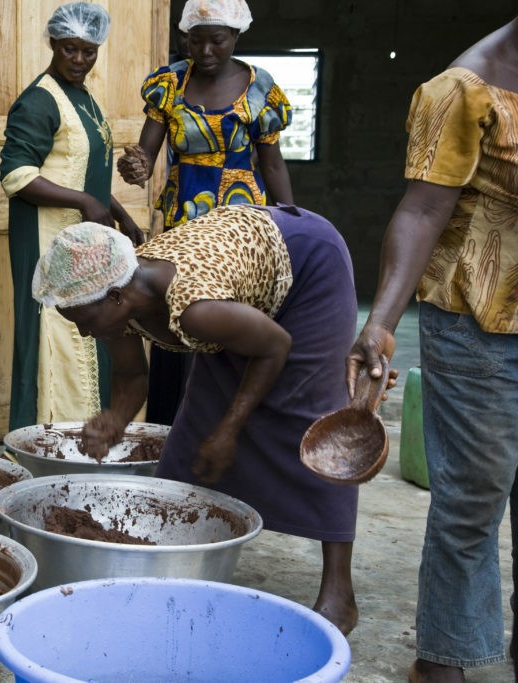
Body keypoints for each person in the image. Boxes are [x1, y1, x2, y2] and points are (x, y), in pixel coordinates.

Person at [31, 204, 370, 635]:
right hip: (238, 287)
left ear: (116, 298)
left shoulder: (195, 307)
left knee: (313, 424)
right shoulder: (116, 298)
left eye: (83, 321)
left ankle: (340, 594)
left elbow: (274, 347)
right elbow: (134, 375)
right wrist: (114, 418)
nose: (82, 332)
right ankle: (176, 562)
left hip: (306, 266)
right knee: (196, 430)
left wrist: (230, 431)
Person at [347, 17, 518, 682]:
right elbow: (421, 212)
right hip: (478, 325)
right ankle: (443, 659)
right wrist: (380, 322)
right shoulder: (464, 90)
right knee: (475, 496)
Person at [116, 0, 294, 427]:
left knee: (226, 314)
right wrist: (134, 168)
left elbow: (272, 163)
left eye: (217, 41)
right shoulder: (169, 84)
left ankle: (224, 424)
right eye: (196, 41)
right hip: (183, 218)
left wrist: (290, 217)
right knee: (177, 311)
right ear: (185, 39)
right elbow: (145, 158)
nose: (206, 51)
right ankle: (168, 429)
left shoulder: (259, 88)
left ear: (236, 37)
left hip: (239, 222)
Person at [0, 1, 143, 432]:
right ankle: (47, 440)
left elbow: (86, 174)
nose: (80, 60)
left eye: (89, 51)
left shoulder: (82, 98)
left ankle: (84, 436)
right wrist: (84, 202)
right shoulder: (39, 101)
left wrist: (124, 217)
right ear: (53, 44)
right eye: (69, 50)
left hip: (84, 243)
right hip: (47, 240)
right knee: (53, 337)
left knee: (89, 329)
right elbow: (16, 176)